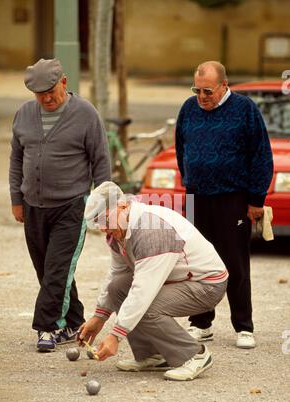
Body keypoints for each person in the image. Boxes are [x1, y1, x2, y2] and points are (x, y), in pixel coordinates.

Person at [78, 181, 228, 381]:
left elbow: (143, 291)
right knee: (117, 287)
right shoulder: (119, 230)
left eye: (104, 219)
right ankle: (153, 355)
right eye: (96, 222)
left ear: (122, 206)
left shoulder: (152, 232)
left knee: (147, 307)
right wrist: (99, 317)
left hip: (207, 284)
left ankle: (195, 355)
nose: (102, 228)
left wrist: (115, 336)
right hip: (177, 280)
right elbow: (117, 274)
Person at [9, 58, 111, 352]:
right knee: (47, 268)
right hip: (32, 205)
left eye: (51, 91)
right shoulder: (24, 114)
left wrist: (103, 204)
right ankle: (73, 321)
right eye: (40, 94)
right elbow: (16, 159)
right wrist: (17, 199)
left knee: (57, 268)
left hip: (72, 205)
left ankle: (47, 326)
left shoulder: (86, 113)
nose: (47, 98)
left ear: (64, 82)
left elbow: (100, 160)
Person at [175, 61, 273, 349]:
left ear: (224, 86)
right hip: (197, 195)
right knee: (196, 261)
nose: (202, 96)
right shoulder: (188, 109)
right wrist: (191, 175)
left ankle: (243, 326)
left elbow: (261, 155)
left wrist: (256, 199)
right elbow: (182, 147)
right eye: (197, 90)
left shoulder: (245, 110)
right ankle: (201, 323)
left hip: (233, 197)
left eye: (208, 91)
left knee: (235, 262)